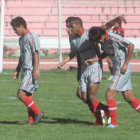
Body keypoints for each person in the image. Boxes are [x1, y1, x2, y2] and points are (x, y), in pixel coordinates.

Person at [58, 16, 126, 125]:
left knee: (91, 96)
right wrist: (65, 62)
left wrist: (117, 19)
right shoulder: (72, 38)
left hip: (95, 67)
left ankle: (99, 120)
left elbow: (105, 26)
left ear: (78, 25)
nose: (68, 29)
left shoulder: (90, 33)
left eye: (70, 26)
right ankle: (106, 110)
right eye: (67, 27)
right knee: (81, 95)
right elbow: (74, 53)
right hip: (85, 68)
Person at [87, 27, 140, 128]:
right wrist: (97, 59)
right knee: (128, 97)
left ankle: (113, 124)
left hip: (122, 69)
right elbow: (108, 51)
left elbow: (131, 45)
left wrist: (126, 63)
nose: (99, 42)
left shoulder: (114, 37)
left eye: (99, 40)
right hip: (117, 69)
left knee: (109, 94)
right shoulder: (104, 40)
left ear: (103, 35)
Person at [10, 17, 44, 125]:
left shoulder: (31, 37)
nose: (14, 31)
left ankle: (38, 113)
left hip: (31, 70)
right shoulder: (21, 39)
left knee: (20, 94)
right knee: (29, 96)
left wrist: (35, 70)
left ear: (21, 26)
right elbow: (22, 56)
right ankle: (31, 121)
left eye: (15, 29)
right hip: (25, 70)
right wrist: (17, 70)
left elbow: (36, 53)